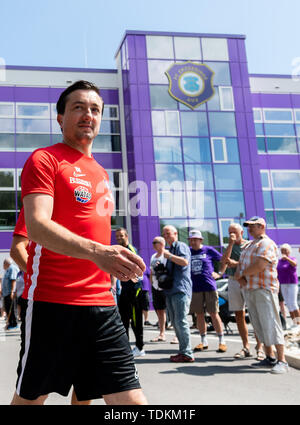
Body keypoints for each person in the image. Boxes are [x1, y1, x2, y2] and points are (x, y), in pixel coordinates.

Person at [11, 80, 147, 405]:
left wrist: (115, 265)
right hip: (51, 304)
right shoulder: (44, 160)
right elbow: (37, 228)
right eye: (78, 107)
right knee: (30, 400)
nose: (88, 114)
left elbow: (95, 234)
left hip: (102, 305)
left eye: (95, 109)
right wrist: (98, 254)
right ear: (60, 118)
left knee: (122, 400)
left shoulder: (101, 173)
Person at [235, 216, 289, 374]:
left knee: (271, 323)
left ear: (262, 226)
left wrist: (241, 274)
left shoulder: (266, 243)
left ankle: (282, 361)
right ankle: (269, 358)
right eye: (248, 226)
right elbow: (241, 266)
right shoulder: (250, 244)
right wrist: (241, 278)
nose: (249, 228)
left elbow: (259, 265)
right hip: (251, 289)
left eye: (253, 226)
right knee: (259, 325)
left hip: (264, 289)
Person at [219, 223, 264, 360]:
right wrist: (231, 245)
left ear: (242, 232)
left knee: (254, 314)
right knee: (239, 314)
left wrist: (236, 264)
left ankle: (260, 347)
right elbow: (223, 262)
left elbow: (253, 263)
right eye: (230, 232)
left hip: (247, 280)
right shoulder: (228, 247)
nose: (232, 234)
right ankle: (246, 347)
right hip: (233, 280)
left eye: (234, 231)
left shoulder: (250, 245)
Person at [188, 230, 227, 353]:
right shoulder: (188, 252)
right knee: (199, 314)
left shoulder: (208, 250)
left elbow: (224, 260)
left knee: (214, 313)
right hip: (195, 288)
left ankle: (221, 341)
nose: (193, 242)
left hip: (209, 286)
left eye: (196, 239)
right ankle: (203, 340)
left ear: (201, 240)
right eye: (191, 240)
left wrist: (220, 273)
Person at [161, 225, 194, 362]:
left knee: (181, 321)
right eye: (164, 234)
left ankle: (187, 353)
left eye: (168, 233)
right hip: (171, 290)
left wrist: (169, 256)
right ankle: (183, 351)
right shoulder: (171, 249)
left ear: (176, 233)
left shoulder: (180, 246)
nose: (166, 236)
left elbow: (184, 262)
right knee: (175, 322)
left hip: (180, 289)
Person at [115, 227, 146, 357]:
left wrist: (135, 285)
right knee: (123, 320)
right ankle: (125, 348)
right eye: (117, 236)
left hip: (134, 291)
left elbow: (139, 271)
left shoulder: (131, 250)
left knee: (135, 320)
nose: (119, 238)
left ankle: (140, 347)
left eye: (121, 236)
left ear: (126, 236)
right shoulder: (120, 251)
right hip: (124, 291)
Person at [149, 236, 168, 342]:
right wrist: (152, 284)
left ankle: (176, 335)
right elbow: (151, 271)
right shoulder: (153, 257)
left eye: (155, 242)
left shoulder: (166, 255)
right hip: (156, 287)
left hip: (165, 286)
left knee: (172, 311)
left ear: (161, 243)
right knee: (160, 311)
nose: (153, 244)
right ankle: (162, 333)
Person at [277, 243, 300, 327]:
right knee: (288, 303)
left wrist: (287, 258)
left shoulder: (292, 258)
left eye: (285, 250)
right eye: (282, 250)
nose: (284, 252)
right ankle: (295, 322)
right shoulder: (279, 261)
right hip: (283, 283)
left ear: (289, 251)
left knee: (293, 303)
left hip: (292, 283)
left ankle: (299, 322)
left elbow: (294, 264)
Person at [1, 258, 19, 330]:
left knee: (12, 308)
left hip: (10, 293)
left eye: (3, 263)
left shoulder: (12, 268)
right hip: (6, 293)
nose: (3, 265)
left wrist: (12, 291)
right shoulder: (7, 270)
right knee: (8, 309)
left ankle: (14, 324)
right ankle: (10, 323)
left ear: (7, 263)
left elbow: (13, 280)